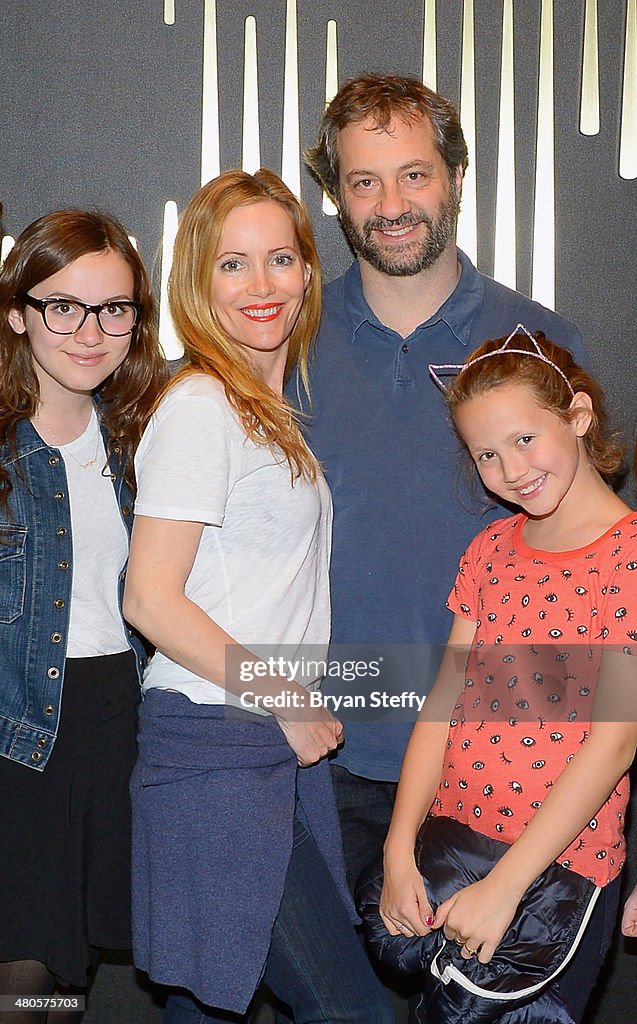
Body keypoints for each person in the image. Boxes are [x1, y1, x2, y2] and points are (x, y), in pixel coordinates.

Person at [302, 72, 589, 895]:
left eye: (413, 174)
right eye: (363, 181)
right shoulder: (284, 349)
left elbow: (598, 574)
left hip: (503, 758)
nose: (390, 204)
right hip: (325, 754)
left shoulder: (540, 343)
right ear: (337, 197)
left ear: (455, 179)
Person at [122, 168, 394, 1024]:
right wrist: (286, 698)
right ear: (197, 282)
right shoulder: (202, 405)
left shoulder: (263, 409)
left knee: (209, 1008)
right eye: (233, 264)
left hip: (253, 746)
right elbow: (150, 599)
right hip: (219, 746)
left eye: (280, 258)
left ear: (310, 272)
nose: (262, 285)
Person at [380, 327, 637, 1023]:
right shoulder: (490, 549)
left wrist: (505, 885)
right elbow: (443, 702)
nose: (509, 469)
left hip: (553, 874)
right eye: (485, 455)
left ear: (578, 416)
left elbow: (613, 742)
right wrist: (398, 847)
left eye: (524, 439)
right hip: (449, 849)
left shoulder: (628, 557)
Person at [0, 209, 166, 1023]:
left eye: (114, 309)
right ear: (17, 312)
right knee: (26, 984)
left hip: (123, 729)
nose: (90, 332)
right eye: (63, 306)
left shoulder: (148, 439)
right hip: (16, 738)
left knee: (74, 968)